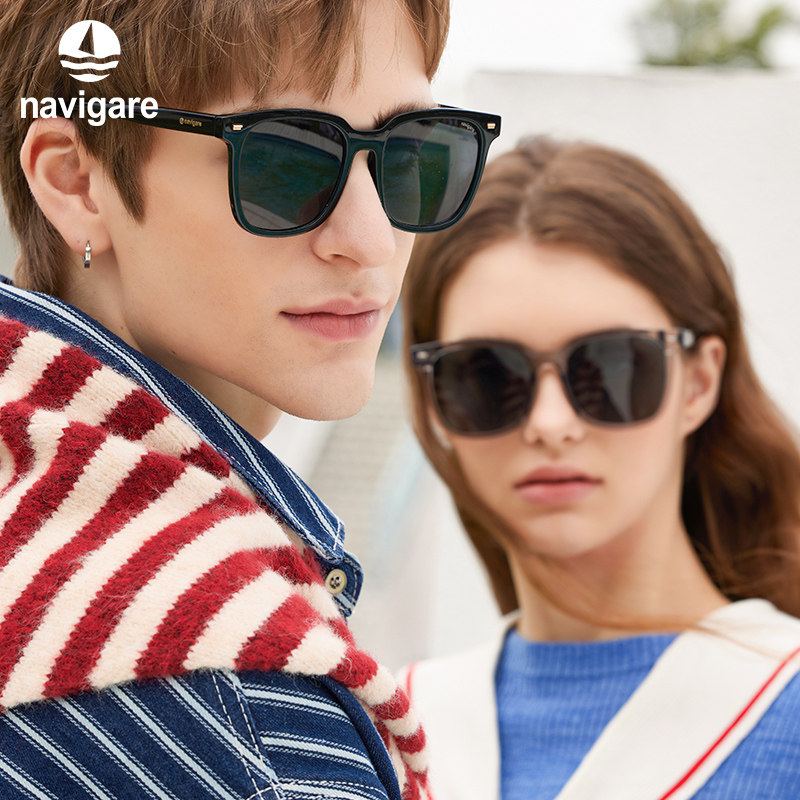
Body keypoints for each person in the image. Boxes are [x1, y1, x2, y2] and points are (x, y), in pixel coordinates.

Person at [0, 1, 501, 798]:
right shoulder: (246, 700)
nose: (371, 240)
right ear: (77, 182)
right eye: (286, 161)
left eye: (413, 153)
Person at [400, 136, 800, 800]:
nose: (550, 422)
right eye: (487, 374)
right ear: (435, 401)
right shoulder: (388, 736)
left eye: (610, 365)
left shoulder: (783, 700)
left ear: (699, 382)